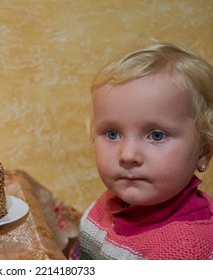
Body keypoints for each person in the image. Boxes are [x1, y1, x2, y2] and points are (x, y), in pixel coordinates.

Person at [70, 42, 213, 259]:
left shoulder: (188, 250)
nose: (127, 155)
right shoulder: (111, 202)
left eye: (156, 135)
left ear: (203, 151)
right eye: (112, 134)